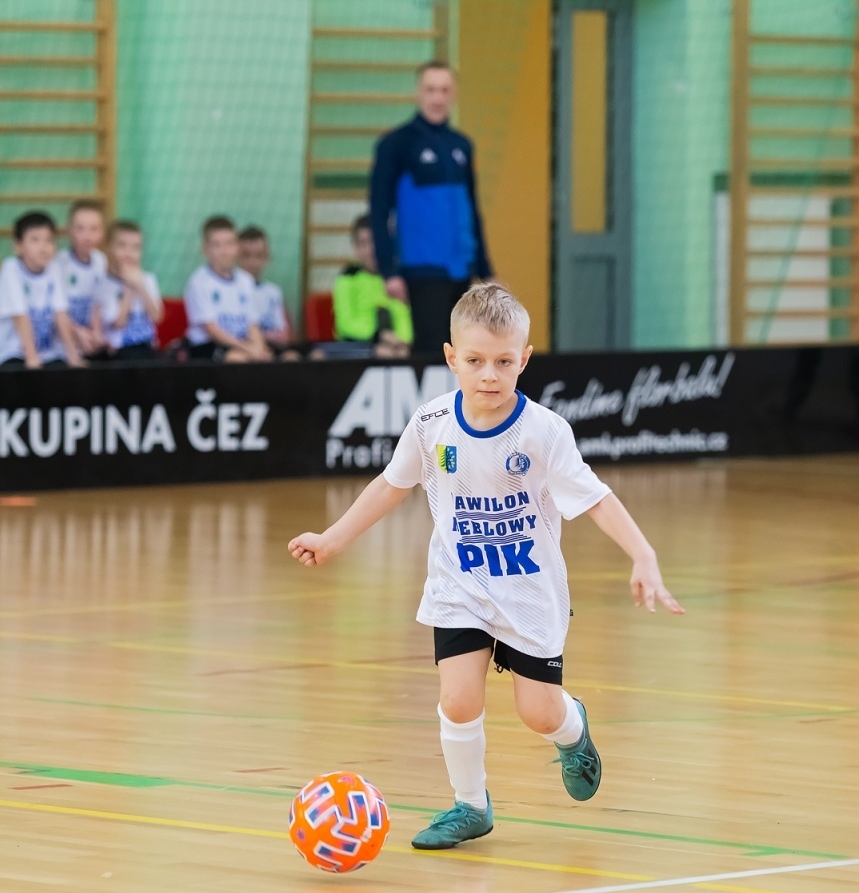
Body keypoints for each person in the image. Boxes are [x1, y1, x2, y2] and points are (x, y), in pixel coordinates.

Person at [287, 284, 684, 850]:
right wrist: (332, 538)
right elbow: (390, 485)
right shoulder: (430, 425)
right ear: (451, 358)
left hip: (528, 593)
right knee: (458, 698)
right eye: (475, 361)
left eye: (504, 362)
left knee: (539, 713)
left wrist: (642, 554)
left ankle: (573, 731)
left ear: (524, 358)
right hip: (460, 586)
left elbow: (595, 498)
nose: (490, 375)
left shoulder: (544, 433)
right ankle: (470, 805)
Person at [368, 61, 493, 360]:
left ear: (454, 94)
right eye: (430, 89)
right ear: (418, 93)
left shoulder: (462, 145)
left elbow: (472, 209)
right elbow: (378, 209)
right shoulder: (395, 145)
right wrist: (389, 270)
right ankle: (431, 410)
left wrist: (485, 269)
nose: (437, 97)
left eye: (444, 90)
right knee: (431, 352)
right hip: (421, 269)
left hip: (461, 270)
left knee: (465, 354)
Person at [0, 211, 80, 371]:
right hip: (7, 354)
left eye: (49, 240)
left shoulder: (54, 269)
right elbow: (20, 318)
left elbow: (61, 315)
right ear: (18, 247)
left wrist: (73, 357)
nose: (43, 247)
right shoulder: (11, 269)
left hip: (45, 354)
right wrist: (32, 359)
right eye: (34, 240)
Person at [183, 215, 270, 363]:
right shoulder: (198, 282)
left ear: (237, 247)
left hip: (241, 343)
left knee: (282, 357)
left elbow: (252, 325)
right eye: (217, 245)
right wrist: (249, 349)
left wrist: (259, 348)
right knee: (237, 359)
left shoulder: (245, 280)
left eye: (229, 244)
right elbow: (212, 331)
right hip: (207, 347)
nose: (224, 251)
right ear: (205, 248)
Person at [325, 213, 412, 359]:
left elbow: (405, 318)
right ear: (355, 248)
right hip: (357, 347)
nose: (371, 250)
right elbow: (345, 325)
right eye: (363, 243)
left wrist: (401, 340)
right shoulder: (347, 280)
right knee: (382, 353)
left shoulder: (395, 281)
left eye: (375, 242)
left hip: (395, 346)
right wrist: (379, 336)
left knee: (404, 353)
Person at [91, 219, 163, 361]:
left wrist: (141, 287)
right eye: (122, 246)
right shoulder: (104, 286)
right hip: (120, 352)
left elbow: (157, 316)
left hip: (147, 347)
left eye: (136, 247)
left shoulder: (148, 279)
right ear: (109, 248)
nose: (129, 253)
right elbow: (119, 322)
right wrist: (129, 287)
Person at [54, 199, 109, 358]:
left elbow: (100, 305)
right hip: (62, 348)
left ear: (102, 232)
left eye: (94, 229)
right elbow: (55, 313)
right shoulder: (58, 265)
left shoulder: (102, 261)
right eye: (80, 229)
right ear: (68, 230)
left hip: (92, 342)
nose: (87, 236)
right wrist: (77, 332)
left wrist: (96, 334)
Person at [237, 225, 297, 352]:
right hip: (245, 350)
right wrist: (264, 337)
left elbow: (286, 335)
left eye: (259, 256)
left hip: (275, 350)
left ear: (267, 257)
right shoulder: (230, 291)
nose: (253, 262)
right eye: (247, 255)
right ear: (236, 257)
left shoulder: (273, 292)